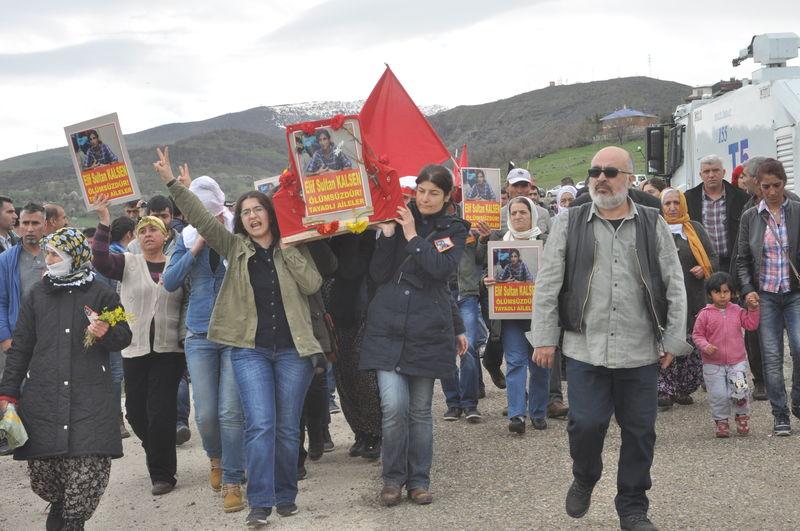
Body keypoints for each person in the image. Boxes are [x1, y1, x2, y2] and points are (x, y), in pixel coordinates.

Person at [154, 147, 322, 527]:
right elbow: (201, 216)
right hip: (250, 351)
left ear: (270, 214)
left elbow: (312, 283)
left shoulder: (290, 245)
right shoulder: (234, 246)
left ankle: (286, 494)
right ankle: (260, 502)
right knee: (260, 424)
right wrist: (173, 184)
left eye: (258, 209)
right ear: (239, 220)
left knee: (287, 427)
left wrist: (290, 250)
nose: (252, 216)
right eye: (245, 212)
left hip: (293, 350)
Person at [531, 146, 689, 530]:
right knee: (585, 424)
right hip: (586, 348)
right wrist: (544, 337)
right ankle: (585, 475)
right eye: (595, 171)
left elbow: (674, 283)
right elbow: (548, 283)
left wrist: (673, 339)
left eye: (611, 172)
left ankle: (633, 506)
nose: (601, 178)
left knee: (640, 433)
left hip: (639, 350)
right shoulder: (569, 222)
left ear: (629, 179)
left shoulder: (652, 223)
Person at [0, 227, 132, 530]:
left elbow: (124, 335)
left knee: (88, 467)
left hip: (90, 398)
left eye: (55, 254)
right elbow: (21, 348)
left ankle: (74, 520)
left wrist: (106, 332)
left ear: (75, 256)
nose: (48, 259)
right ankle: (60, 504)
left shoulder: (101, 294)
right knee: (44, 472)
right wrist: (7, 393)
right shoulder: (36, 295)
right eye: (48, 253)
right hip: (44, 396)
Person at [361, 164, 468, 507]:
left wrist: (410, 236)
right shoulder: (397, 216)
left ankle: (419, 480)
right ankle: (392, 479)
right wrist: (387, 237)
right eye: (421, 191)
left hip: (427, 331)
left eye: (434, 193)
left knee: (420, 411)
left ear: (447, 197)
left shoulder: (454, 229)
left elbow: (440, 271)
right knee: (394, 407)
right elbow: (378, 274)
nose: (425, 198)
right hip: (388, 327)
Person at [91, 195, 186, 495]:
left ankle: (162, 474)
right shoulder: (128, 263)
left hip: (169, 350)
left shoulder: (176, 265)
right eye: (142, 230)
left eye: (153, 229)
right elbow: (100, 261)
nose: (147, 234)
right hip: (135, 348)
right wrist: (104, 220)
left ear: (166, 235)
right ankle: (157, 448)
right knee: (134, 412)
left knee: (160, 411)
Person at [162, 175, 246, 513]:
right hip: (199, 333)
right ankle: (216, 458)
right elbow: (170, 280)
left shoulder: (236, 231)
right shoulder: (186, 237)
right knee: (207, 412)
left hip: (235, 332)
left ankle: (233, 480)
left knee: (230, 410)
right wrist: (195, 247)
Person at [735, 158, 800, 436]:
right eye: (766, 186)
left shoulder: (797, 211)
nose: (772, 191)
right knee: (771, 357)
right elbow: (742, 259)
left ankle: (797, 400)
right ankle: (780, 414)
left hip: (795, 293)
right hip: (766, 296)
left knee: (799, 348)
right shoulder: (751, 217)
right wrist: (748, 289)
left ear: (784, 183)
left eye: (777, 185)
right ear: (757, 187)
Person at [484, 196, 549, 434]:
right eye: (514, 213)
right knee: (515, 363)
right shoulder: (499, 242)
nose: (518, 216)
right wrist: (487, 280)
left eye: (523, 212)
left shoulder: (545, 242)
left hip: (539, 317)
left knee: (540, 366)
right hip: (510, 317)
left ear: (532, 215)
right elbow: (490, 275)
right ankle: (517, 415)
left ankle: (538, 412)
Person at [657, 188, 718, 409]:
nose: (672, 208)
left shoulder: (694, 228)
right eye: (667, 204)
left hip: (693, 296)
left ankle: (683, 388)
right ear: (661, 206)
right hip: (664, 297)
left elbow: (712, 256)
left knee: (690, 341)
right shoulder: (656, 228)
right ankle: (665, 389)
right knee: (665, 341)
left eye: (676, 203)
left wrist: (704, 268)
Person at [326, 234, 383, 459]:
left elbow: (354, 268)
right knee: (343, 375)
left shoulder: (368, 233)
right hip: (338, 305)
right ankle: (360, 432)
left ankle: (375, 432)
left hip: (365, 305)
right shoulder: (334, 235)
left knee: (364, 374)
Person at [692, 272, 760, 437]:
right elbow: (697, 335)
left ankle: (742, 416)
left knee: (740, 391)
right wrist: (705, 346)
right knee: (718, 394)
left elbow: (751, 325)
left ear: (732, 293)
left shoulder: (737, 310)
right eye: (718, 292)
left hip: (736, 362)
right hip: (712, 364)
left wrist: (753, 309)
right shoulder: (705, 314)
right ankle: (721, 421)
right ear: (710, 294)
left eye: (726, 292)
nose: (722, 296)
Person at [441, 219, 487, 423]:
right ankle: (453, 403)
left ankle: (469, 403)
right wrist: (456, 238)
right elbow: (431, 252)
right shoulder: (433, 224)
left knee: (468, 348)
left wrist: (483, 239)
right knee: (445, 350)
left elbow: (481, 259)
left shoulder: (470, 220)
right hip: (441, 294)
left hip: (467, 293)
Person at [685, 154, 749, 274]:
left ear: (723, 172)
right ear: (700, 175)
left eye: (715, 170)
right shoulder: (689, 198)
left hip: (733, 265)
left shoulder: (741, 198)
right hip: (702, 265)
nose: (711, 175)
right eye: (706, 171)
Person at [0, 203, 47, 355]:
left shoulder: (58, 256)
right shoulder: (6, 260)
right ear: (19, 225)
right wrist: (5, 338)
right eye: (25, 223)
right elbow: (1, 301)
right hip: (19, 338)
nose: (30, 229)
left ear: (45, 225)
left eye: (35, 223)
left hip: (52, 336)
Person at [501, 168, 551, 237]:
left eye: (524, 185)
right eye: (515, 185)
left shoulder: (543, 213)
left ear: (530, 187)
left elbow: (552, 240)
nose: (519, 191)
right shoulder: (499, 216)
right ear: (507, 187)